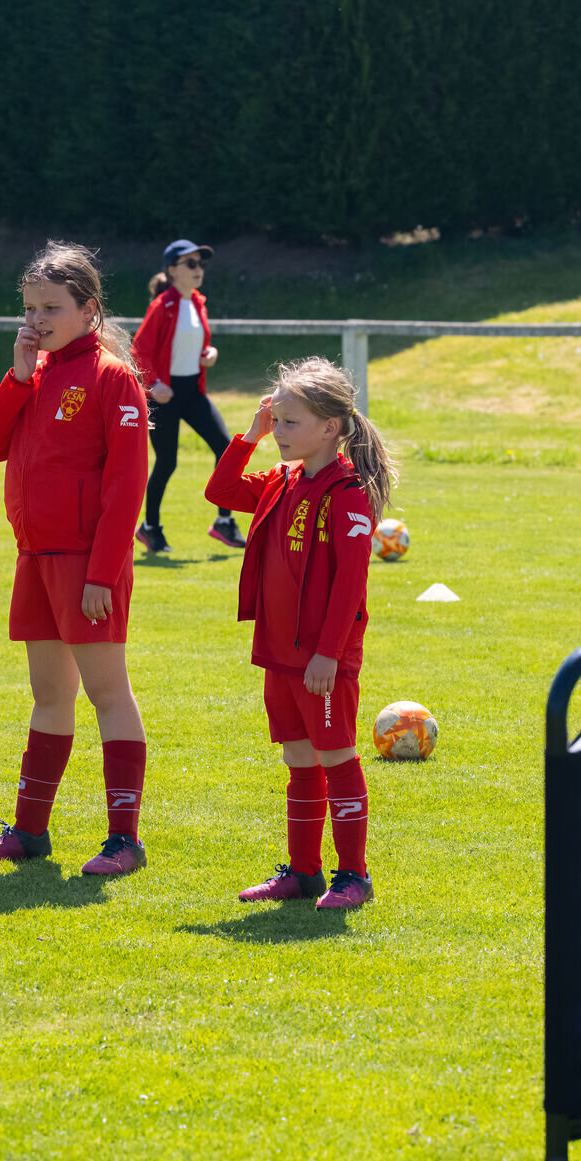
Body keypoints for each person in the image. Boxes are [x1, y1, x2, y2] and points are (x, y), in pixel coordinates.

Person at [0, 241, 154, 877]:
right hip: (34, 555)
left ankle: (124, 840)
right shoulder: (34, 371)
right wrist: (17, 375)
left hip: (86, 564)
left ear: (88, 309)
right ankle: (29, 831)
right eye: (30, 307)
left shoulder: (112, 377)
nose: (37, 320)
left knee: (106, 692)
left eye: (51, 308)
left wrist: (102, 574)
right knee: (48, 694)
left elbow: (127, 487)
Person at [205, 357, 396, 912]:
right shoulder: (280, 481)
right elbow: (221, 488)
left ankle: (353, 876)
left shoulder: (349, 492)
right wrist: (251, 434)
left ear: (330, 428)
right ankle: (303, 872)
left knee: (336, 757)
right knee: (297, 760)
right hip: (278, 651)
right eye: (278, 420)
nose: (279, 432)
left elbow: (349, 585)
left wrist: (328, 656)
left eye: (290, 422)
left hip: (322, 660)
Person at [131, 238, 246, 556]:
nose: (198, 270)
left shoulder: (198, 302)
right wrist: (153, 385)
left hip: (193, 392)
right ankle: (150, 528)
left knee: (225, 449)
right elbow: (139, 350)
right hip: (164, 397)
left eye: (201, 264)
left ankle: (224, 521)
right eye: (191, 264)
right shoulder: (162, 305)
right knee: (166, 463)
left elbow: (194, 346)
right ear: (172, 271)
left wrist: (208, 353)